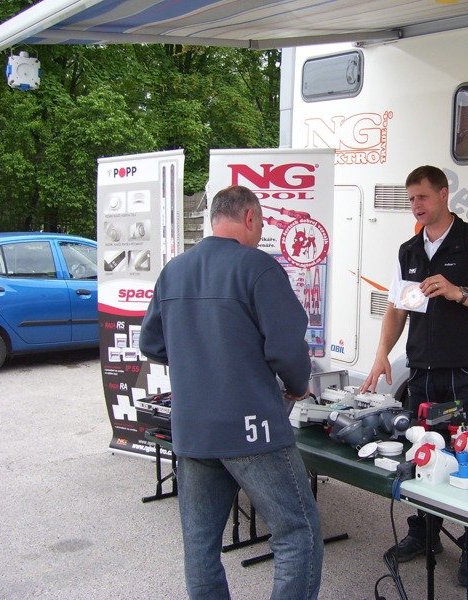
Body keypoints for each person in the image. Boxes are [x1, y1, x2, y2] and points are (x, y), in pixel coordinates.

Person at [139, 185, 323, 600]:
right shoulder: (258, 267)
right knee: (298, 532)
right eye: (261, 224)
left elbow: (152, 344)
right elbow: (287, 348)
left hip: (193, 429)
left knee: (200, 546)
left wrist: (198, 358)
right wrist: (298, 386)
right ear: (250, 218)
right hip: (252, 428)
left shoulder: (175, 270)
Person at [360, 165, 468, 586]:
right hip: (423, 372)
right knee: (426, 452)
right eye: (411, 199)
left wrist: (457, 291)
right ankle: (425, 533)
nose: (416, 205)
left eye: (423, 197)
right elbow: (397, 308)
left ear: (444, 194)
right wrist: (380, 355)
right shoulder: (409, 250)